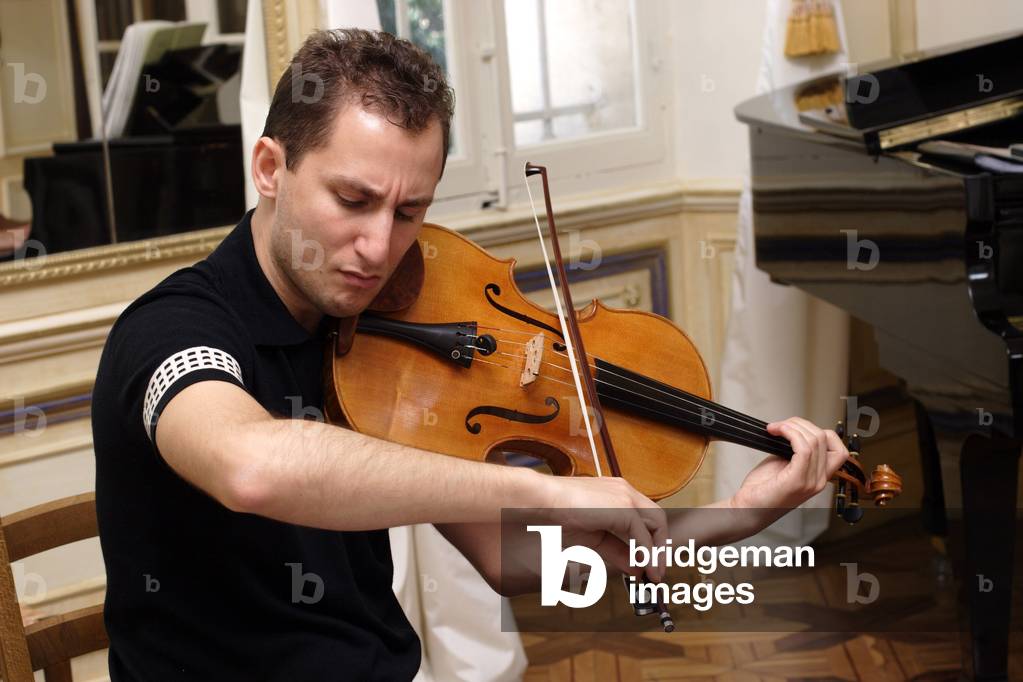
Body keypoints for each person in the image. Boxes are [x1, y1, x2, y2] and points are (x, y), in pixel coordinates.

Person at [91, 28, 850, 681]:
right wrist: (550, 493)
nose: (380, 248)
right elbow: (251, 465)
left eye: (409, 212)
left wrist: (734, 515)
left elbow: (516, 565)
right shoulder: (173, 330)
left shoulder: (383, 337)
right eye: (352, 201)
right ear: (269, 168)